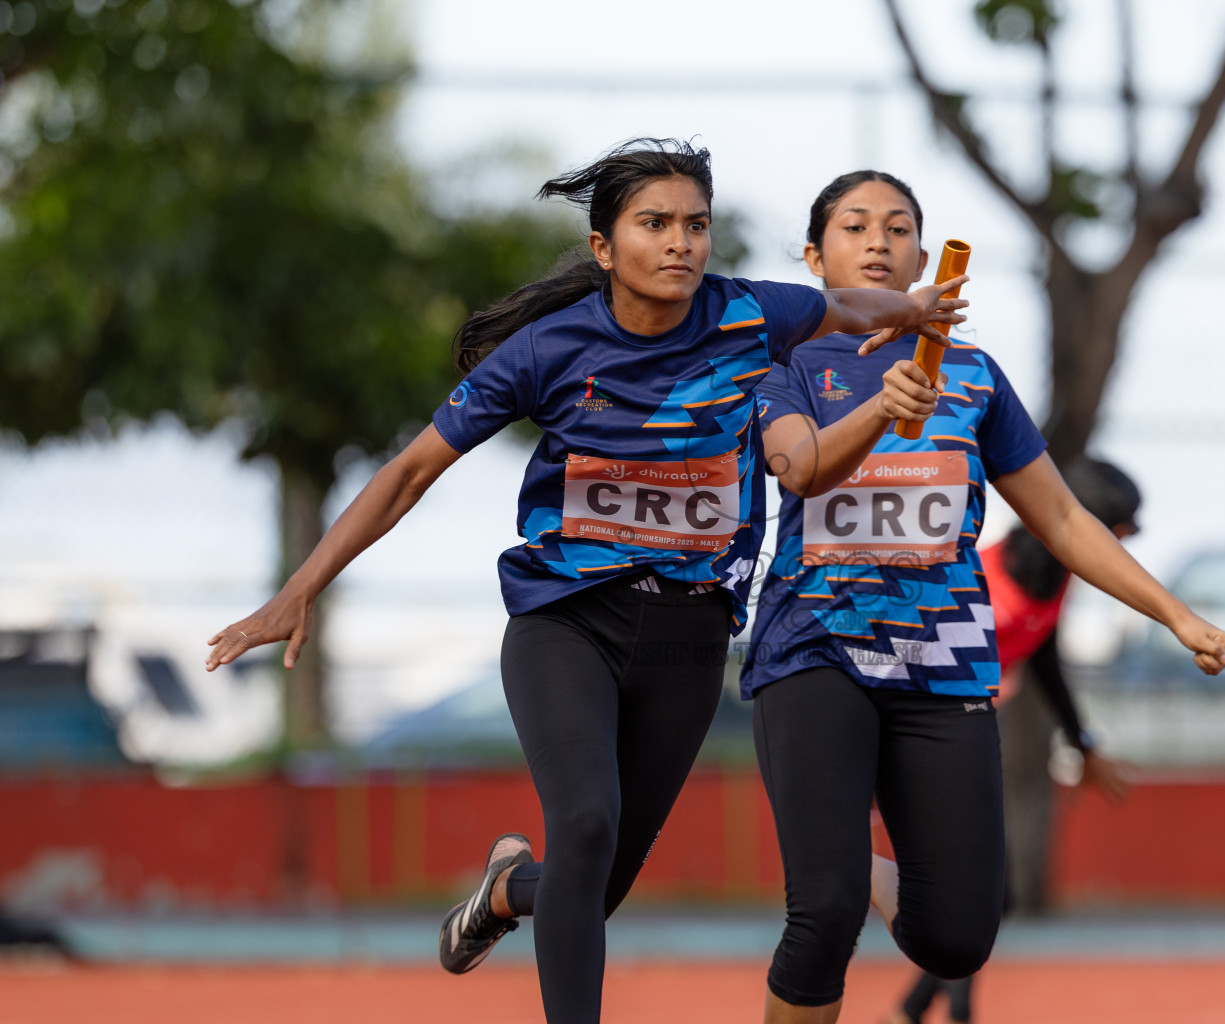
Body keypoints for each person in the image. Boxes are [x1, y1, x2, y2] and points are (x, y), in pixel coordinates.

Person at [203, 139, 968, 1024]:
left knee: (586, 889)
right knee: (584, 830)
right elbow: (411, 471)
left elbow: (844, 303)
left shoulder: (753, 315)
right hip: (567, 620)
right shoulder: (548, 349)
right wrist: (301, 588)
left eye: (696, 225)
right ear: (604, 248)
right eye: (654, 225)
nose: (680, 243)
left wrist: (911, 307)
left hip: (690, 634)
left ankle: (500, 893)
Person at [743, 169, 1225, 1024]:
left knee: (958, 937)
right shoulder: (781, 362)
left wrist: (1174, 612)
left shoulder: (971, 377)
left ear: (926, 258)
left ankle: (862, 870)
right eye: (855, 227)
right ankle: (841, 877)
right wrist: (876, 412)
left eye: (898, 228)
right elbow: (799, 466)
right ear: (816, 256)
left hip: (943, 662)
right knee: (821, 916)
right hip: (813, 650)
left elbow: (1064, 520)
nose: (878, 242)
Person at [889, 457, 1141, 1024]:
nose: (1134, 537)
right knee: (981, 893)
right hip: (922, 730)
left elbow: (1046, 656)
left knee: (989, 894)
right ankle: (936, 1014)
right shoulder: (982, 577)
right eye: (1126, 524)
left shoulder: (1060, 578)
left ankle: (911, 1013)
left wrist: (1084, 744)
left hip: (969, 729)